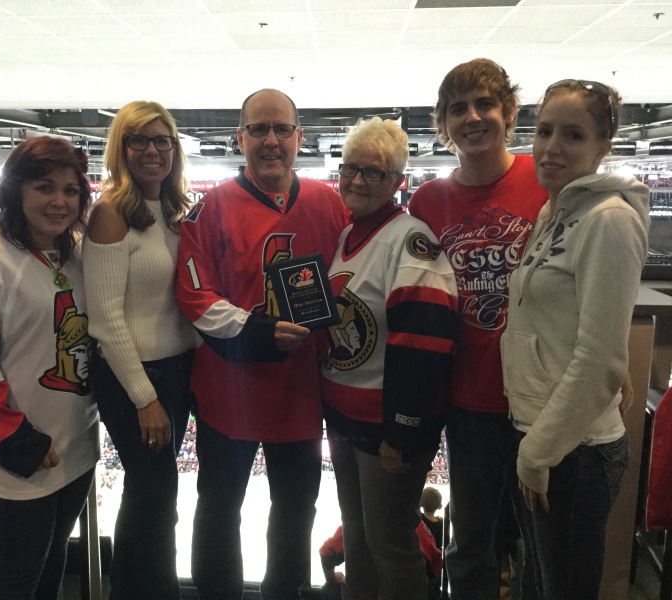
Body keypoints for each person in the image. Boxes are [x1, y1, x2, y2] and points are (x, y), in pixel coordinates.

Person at [175, 88, 348, 600]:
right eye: (258, 129)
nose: (271, 140)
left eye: (281, 129)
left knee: (296, 509)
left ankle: (284, 593)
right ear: (240, 138)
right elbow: (194, 295)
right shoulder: (210, 208)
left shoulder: (329, 203)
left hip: (301, 393)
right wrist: (257, 331)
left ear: (299, 137)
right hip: (228, 392)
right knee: (218, 505)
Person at [501, 79, 649, 600]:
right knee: (538, 584)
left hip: (572, 453)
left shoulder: (610, 221)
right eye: (544, 131)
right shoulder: (554, 212)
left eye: (573, 135)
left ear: (603, 147)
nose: (552, 147)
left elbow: (599, 359)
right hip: (540, 435)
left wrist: (538, 453)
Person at [407, 58, 548, 600]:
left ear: (508, 111)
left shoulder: (546, 181)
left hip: (539, 396)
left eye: (485, 104)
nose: (472, 117)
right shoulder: (426, 202)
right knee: (470, 546)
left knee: (541, 544)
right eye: (458, 109)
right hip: (467, 402)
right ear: (444, 124)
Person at [0, 137, 99, 600]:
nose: (59, 201)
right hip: (24, 453)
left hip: (78, 442)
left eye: (70, 190)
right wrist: (17, 442)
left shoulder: (78, 253)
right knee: (18, 574)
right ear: (15, 190)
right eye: (44, 187)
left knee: (53, 560)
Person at [320, 116, 457, 598]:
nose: (357, 180)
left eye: (373, 172)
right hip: (344, 419)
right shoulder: (347, 235)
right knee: (358, 538)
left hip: (386, 429)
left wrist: (402, 431)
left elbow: (426, 343)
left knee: (390, 544)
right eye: (350, 168)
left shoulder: (410, 240)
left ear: (398, 180)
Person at [83, 100, 196, 600]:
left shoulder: (171, 212)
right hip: (136, 378)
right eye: (139, 140)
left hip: (177, 371)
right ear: (121, 148)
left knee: (150, 497)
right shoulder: (111, 214)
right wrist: (144, 396)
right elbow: (105, 319)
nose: (152, 151)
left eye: (161, 140)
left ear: (174, 148)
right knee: (157, 498)